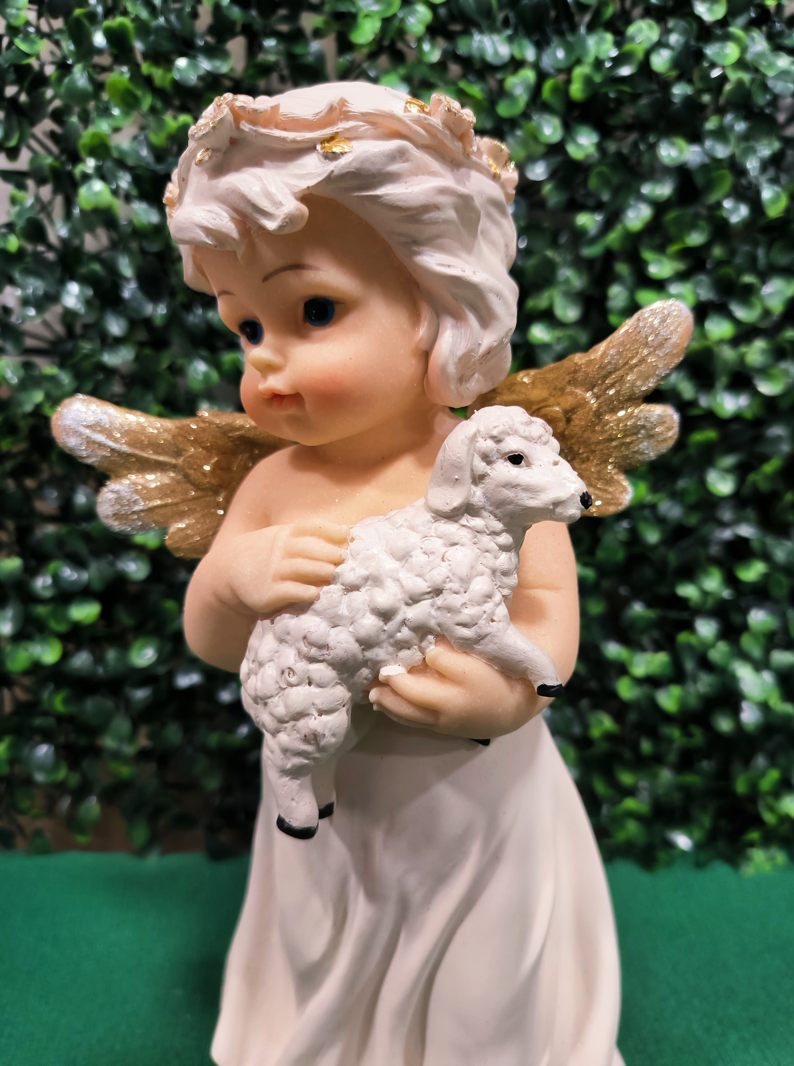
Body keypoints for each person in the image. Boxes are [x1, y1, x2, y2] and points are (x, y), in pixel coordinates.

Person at [167, 81, 623, 1066]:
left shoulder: (492, 461)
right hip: (333, 797)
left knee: (484, 987)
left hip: (474, 794)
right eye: (246, 328)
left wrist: (509, 694)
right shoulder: (274, 484)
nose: (265, 362)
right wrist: (233, 579)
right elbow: (211, 638)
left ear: (440, 307)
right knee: (323, 954)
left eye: (313, 309)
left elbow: (547, 611)